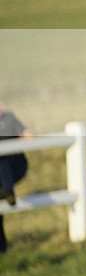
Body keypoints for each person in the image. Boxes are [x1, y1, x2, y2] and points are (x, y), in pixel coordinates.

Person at [0, 99, 32, 252]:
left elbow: (26, 135)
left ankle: (8, 192)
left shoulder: (9, 118)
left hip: (13, 166)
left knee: (2, 157)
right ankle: (2, 247)